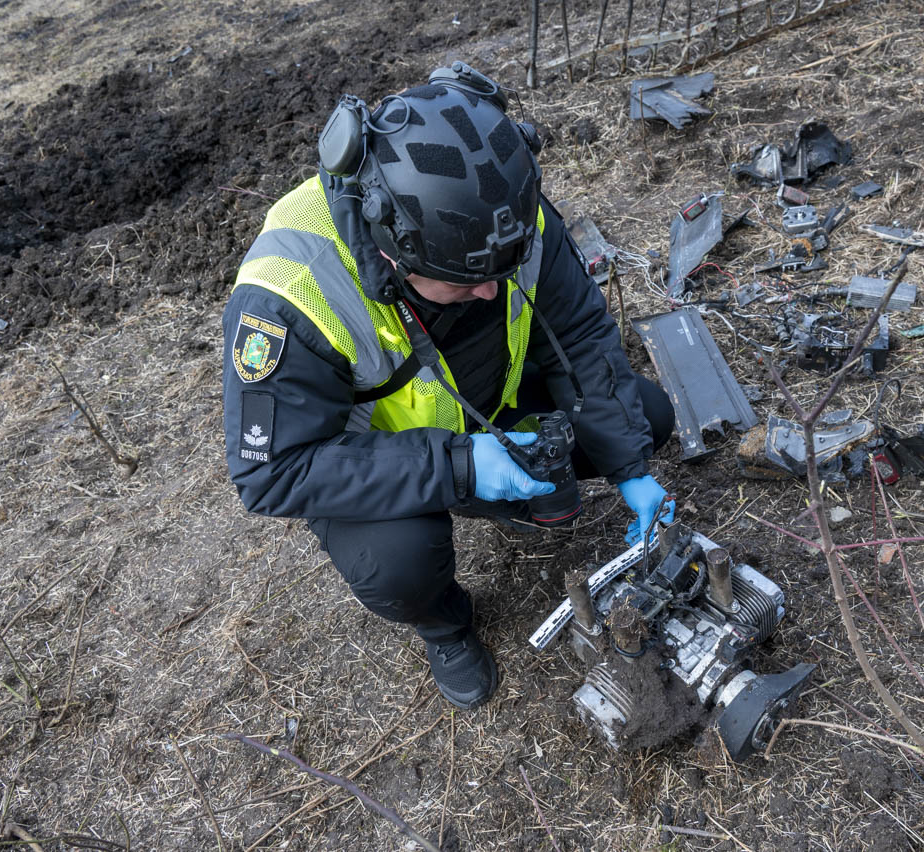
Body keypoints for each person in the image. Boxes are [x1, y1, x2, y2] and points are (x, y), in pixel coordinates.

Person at [222, 62, 675, 710]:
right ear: (392, 252)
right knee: (399, 563)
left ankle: (510, 480)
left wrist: (629, 465)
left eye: (501, 270)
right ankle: (445, 625)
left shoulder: (501, 212)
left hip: (496, 407)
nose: (490, 290)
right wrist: (459, 467)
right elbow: (272, 472)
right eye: (465, 281)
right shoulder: (288, 292)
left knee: (645, 417)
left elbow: (577, 333)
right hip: (385, 457)